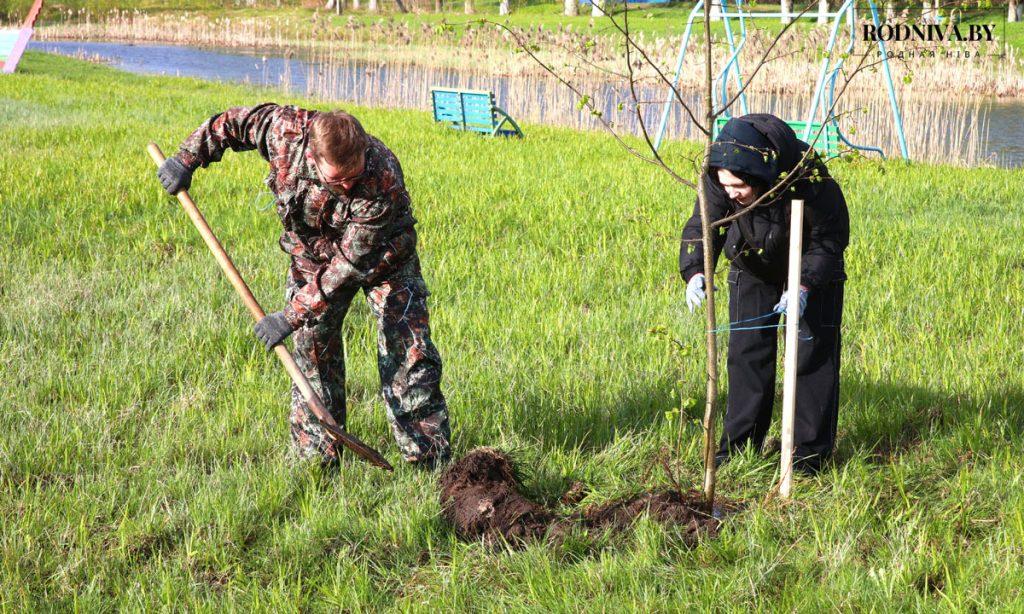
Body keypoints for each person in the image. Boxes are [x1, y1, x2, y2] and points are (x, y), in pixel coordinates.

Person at [157, 103, 451, 468]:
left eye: (353, 177)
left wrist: (289, 315)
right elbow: (232, 124)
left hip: (385, 259)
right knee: (313, 351)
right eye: (337, 180)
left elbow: (346, 266)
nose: (347, 186)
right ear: (312, 155)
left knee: (408, 351)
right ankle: (319, 460)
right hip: (311, 258)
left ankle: (428, 462)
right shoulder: (284, 131)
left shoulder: (381, 176)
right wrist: (188, 157)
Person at [679, 114, 849, 475]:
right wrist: (696, 270)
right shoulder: (718, 173)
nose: (731, 193)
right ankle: (738, 450)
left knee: (811, 357)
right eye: (725, 186)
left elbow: (829, 240)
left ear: (760, 176)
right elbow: (704, 224)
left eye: (738, 186)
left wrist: (803, 285)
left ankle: (807, 457)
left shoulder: (808, 177)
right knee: (747, 355)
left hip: (809, 267)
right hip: (751, 264)